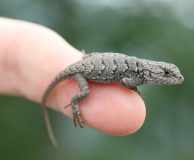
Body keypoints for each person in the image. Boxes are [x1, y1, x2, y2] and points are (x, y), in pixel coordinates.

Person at [0, 17, 146, 136]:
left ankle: (87, 57)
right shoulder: (139, 72)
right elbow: (126, 81)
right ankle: (74, 104)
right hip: (80, 72)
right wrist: (135, 88)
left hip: (89, 61)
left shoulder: (140, 68)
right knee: (85, 92)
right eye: (166, 74)